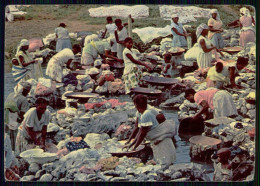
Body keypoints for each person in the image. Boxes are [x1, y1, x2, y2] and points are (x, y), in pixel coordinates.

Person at [124, 95, 176, 168]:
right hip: (156, 139)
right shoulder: (141, 113)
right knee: (162, 162)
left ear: (136, 104)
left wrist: (135, 147)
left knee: (164, 163)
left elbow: (142, 133)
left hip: (161, 140)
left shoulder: (147, 114)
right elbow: (139, 129)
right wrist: (131, 143)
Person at [4, 81, 31, 151]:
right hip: (14, 121)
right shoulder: (23, 99)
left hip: (6, 119)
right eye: (28, 91)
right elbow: (23, 114)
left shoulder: (11, 94)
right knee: (15, 139)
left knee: (7, 138)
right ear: (25, 91)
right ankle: (14, 152)